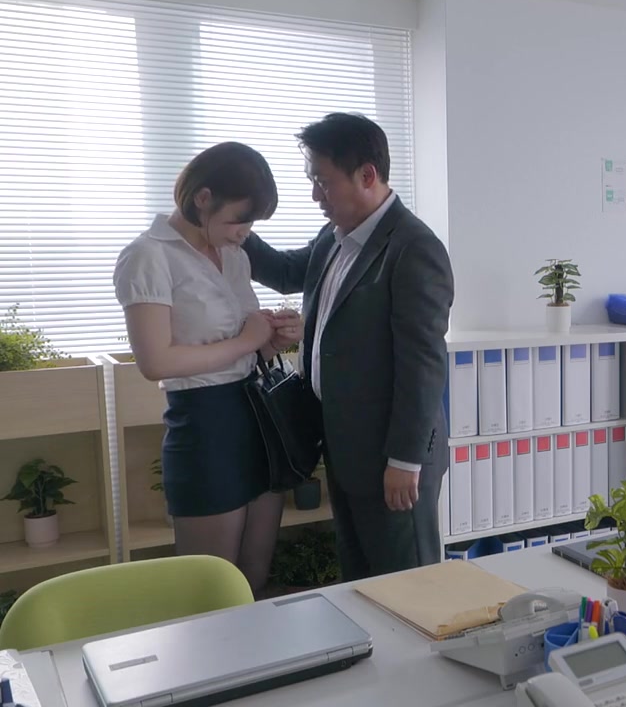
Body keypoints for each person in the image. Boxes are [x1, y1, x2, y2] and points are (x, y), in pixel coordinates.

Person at [243, 113, 454, 580]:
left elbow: (423, 366)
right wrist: (231, 221)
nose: (315, 195)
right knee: (360, 582)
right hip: (344, 448)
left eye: (323, 182)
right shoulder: (335, 237)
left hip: (392, 457)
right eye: (312, 181)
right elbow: (284, 271)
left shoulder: (413, 249)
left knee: (407, 584)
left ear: (367, 175)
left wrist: (405, 461)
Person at [114, 142, 301, 595]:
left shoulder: (235, 254)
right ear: (203, 198)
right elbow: (155, 361)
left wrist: (271, 339)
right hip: (204, 422)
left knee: (254, 576)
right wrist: (246, 340)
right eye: (239, 219)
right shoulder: (148, 255)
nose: (245, 233)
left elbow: (240, 345)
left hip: (258, 414)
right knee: (209, 590)